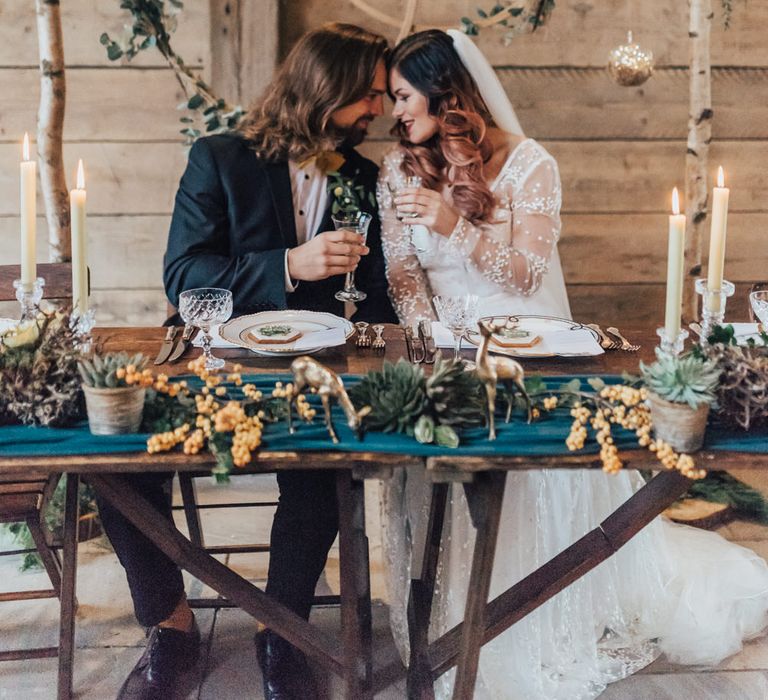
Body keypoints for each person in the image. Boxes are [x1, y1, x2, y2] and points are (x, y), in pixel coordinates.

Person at [377, 28, 768, 699]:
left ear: (446, 93)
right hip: (448, 359)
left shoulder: (532, 165)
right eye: (390, 97)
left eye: (404, 94)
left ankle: (539, 610)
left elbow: (526, 274)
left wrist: (453, 225)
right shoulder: (397, 167)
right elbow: (401, 272)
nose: (396, 110)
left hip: (534, 355)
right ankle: (452, 617)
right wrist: (429, 335)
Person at [96, 22, 397, 700]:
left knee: (324, 467)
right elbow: (185, 275)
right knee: (115, 463)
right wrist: (287, 265)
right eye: (368, 95)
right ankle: (170, 628)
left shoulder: (364, 178)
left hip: (312, 367)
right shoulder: (221, 159)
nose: (376, 110)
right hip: (208, 358)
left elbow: (376, 297)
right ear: (327, 87)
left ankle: (281, 630)